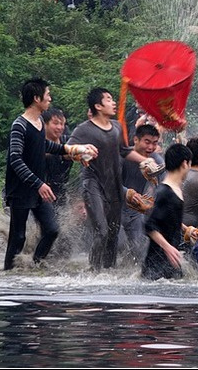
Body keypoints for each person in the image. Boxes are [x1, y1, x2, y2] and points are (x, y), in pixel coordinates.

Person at [4, 78, 97, 270]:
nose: (50, 99)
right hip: (22, 189)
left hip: (39, 190)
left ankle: (36, 265)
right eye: (47, 95)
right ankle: (8, 274)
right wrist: (38, 183)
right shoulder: (19, 125)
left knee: (52, 230)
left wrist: (74, 150)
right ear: (36, 98)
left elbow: (47, 146)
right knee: (18, 236)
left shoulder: (38, 123)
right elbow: (15, 159)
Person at [68, 87, 154, 270]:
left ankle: (108, 272)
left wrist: (145, 161)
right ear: (98, 106)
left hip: (114, 186)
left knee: (113, 234)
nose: (113, 102)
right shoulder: (84, 129)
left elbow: (124, 151)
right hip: (92, 184)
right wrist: (81, 151)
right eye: (108, 99)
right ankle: (93, 271)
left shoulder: (117, 127)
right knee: (102, 231)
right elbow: (66, 151)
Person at [142, 143, 192, 280]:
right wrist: (168, 248)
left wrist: (186, 229)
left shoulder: (175, 190)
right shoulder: (165, 192)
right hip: (158, 264)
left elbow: (167, 219)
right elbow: (149, 225)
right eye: (189, 165)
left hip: (169, 262)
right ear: (184, 163)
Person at [120, 124, 164, 261]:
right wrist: (128, 193)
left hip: (137, 211)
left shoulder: (155, 160)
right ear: (136, 140)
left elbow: (163, 185)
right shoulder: (123, 157)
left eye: (155, 143)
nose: (150, 148)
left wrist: (154, 200)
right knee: (118, 246)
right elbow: (110, 183)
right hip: (115, 209)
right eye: (147, 142)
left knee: (139, 250)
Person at [42, 107, 73, 209]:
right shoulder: (36, 142)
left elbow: (79, 151)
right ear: (44, 124)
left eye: (62, 124)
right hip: (37, 189)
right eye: (56, 123)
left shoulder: (68, 141)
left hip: (59, 191)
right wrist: (61, 154)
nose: (60, 127)